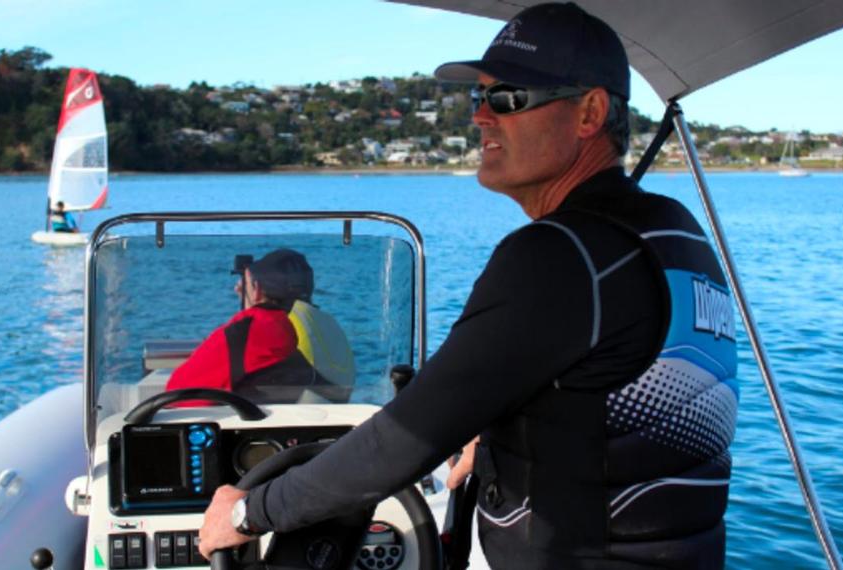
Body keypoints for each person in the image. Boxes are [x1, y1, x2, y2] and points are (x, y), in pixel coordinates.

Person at [198, 4, 738, 569]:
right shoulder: (674, 233)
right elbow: (609, 384)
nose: (481, 117)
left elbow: (400, 442)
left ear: (590, 113)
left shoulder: (559, 256)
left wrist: (248, 512)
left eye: (506, 98)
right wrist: (499, 440)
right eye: (477, 98)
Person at [166, 248, 354, 403]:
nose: (237, 288)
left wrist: (248, 315)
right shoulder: (323, 323)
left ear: (256, 291)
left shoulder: (256, 329)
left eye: (246, 283)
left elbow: (177, 392)